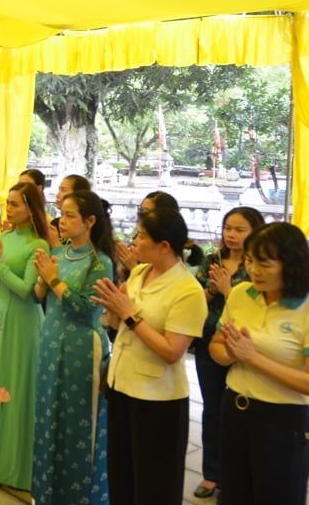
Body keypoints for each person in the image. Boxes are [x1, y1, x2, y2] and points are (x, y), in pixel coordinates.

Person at [91, 208, 207, 505]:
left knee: (155, 483)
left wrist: (130, 315)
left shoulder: (187, 290)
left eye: (141, 236)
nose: (134, 241)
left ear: (164, 246)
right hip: (122, 384)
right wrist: (114, 310)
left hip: (158, 398)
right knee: (122, 474)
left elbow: (172, 351)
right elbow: (119, 327)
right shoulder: (140, 272)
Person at [209, 222, 309, 505]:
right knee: (235, 493)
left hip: (283, 420)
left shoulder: (305, 307)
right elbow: (216, 346)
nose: (254, 270)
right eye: (250, 261)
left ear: (291, 264)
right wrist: (230, 353)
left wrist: (252, 357)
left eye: (264, 264)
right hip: (236, 408)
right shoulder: (241, 293)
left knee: (278, 494)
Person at [31, 189, 115, 504]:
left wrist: (53, 280)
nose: (61, 221)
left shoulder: (101, 262)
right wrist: (42, 276)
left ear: (90, 221)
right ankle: (47, 492)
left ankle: (79, 495)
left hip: (82, 349)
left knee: (77, 425)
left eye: (70, 215)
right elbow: (37, 295)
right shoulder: (60, 252)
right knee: (48, 416)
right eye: (61, 213)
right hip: (51, 341)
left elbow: (85, 309)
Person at [191, 206, 265, 499]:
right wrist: (210, 290)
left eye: (239, 230)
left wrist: (226, 290)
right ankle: (211, 474)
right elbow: (195, 298)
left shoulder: (257, 265)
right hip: (211, 341)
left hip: (248, 345)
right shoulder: (212, 260)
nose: (231, 235)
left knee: (238, 411)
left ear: (255, 232)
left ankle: (236, 472)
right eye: (227, 229)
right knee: (212, 408)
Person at [0, 181, 50, 490]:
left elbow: (29, 292)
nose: (10, 208)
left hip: (23, 322)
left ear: (32, 208)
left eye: (17, 204)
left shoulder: (39, 245)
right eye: (8, 202)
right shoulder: (4, 237)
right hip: (0, 318)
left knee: (19, 387)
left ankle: (20, 466)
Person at [116, 190, 180, 276]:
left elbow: (156, 284)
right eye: (141, 210)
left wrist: (133, 267)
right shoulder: (138, 237)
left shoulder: (167, 250)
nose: (141, 216)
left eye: (146, 212)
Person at [49, 174, 90, 247]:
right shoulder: (55, 224)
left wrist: (56, 243)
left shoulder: (89, 229)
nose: (57, 195)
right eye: (62, 215)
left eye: (63, 190)